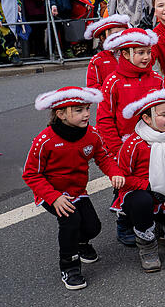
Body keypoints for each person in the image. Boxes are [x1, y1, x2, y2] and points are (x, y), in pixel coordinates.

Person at [24, 86, 124, 290]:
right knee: (70, 221)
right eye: (78, 110)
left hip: (78, 192)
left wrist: (114, 172)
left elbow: (103, 156)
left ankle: (81, 243)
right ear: (60, 114)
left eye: (87, 108)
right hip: (51, 193)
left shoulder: (92, 134)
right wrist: (53, 197)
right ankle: (69, 266)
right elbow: (31, 174)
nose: (87, 114)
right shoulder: (45, 140)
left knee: (93, 227)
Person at [112, 89, 165, 272]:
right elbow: (121, 177)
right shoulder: (133, 144)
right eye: (163, 114)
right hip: (140, 195)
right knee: (143, 201)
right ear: (147, 118)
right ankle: (147, 245)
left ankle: (159, 223)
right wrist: (148, 187)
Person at [95, 28, 164, 161]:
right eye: (141, 52)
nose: (146, 57)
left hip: (154, 146)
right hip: (124, 147)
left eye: (149, 52)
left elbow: (163, 113)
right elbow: (104, 119)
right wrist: (118, 148)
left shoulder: (157, 79)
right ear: (126, 54)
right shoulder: (112, 82)